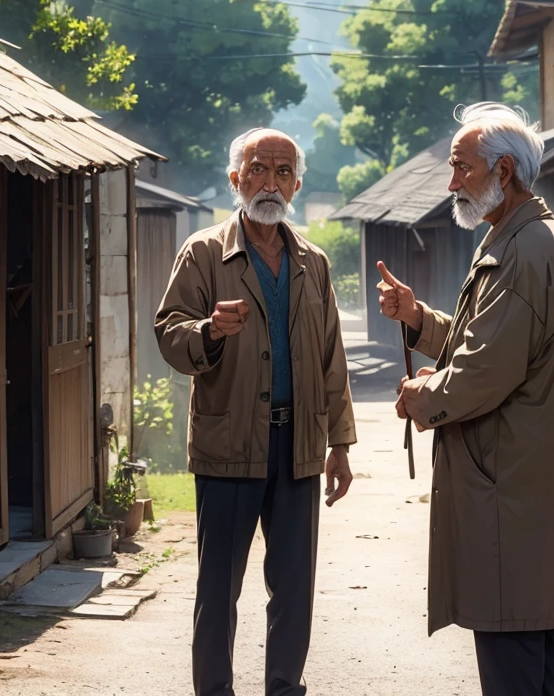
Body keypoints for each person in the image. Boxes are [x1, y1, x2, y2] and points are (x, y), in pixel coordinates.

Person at [377, 102, 554, 696]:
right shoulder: (526, 237)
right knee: (547, 641)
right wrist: (419, 319)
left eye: (460, 167)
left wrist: (420, 396)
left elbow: (481, 373)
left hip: (512, 491)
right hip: (528, 489)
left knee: (515, 649)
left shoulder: (523, 250)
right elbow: (491, 344)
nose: (452, 182)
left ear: (502, 172)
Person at [156, 128, 356, 696]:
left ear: (297, 183)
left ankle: (284, 688)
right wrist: (208, 330)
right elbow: (170, 335)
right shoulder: (203, 253)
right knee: (218, 588)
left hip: (298, 448)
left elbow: (330, 358)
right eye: (259, 169)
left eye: (283, 171)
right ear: (235, 179)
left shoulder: (313, 263)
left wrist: (339, 445)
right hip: (228, 446)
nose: (271, 182)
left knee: (294, 587)